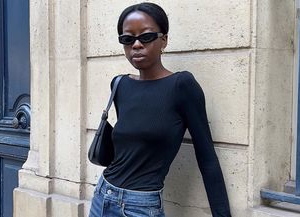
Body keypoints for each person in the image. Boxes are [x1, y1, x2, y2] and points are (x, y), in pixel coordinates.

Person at [89, 2, 231, 217]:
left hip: (140, 207)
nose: (136, 45)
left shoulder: (182, 86)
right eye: (127, 39)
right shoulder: (119, 85)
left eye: (145, 37)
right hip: (102, 197)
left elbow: (207, 158)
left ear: (163, 40)